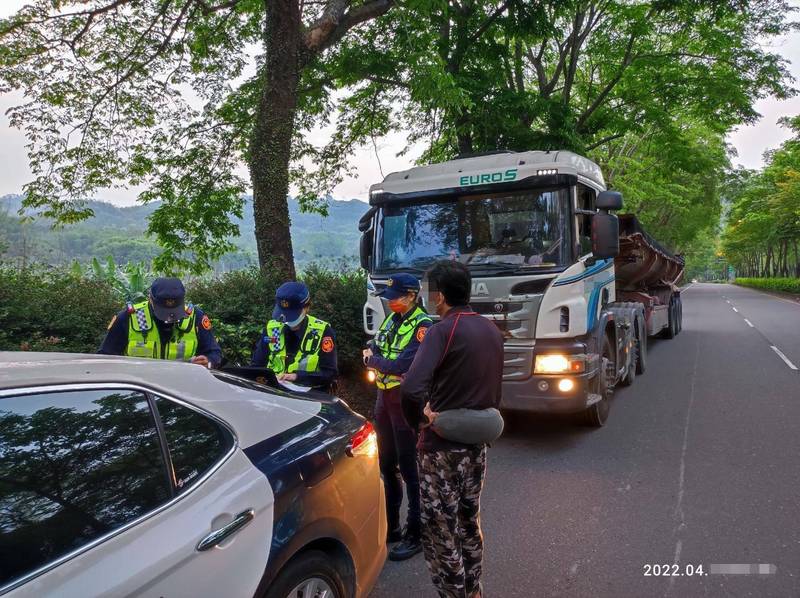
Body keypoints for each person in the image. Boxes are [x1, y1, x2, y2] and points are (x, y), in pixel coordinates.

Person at [400, 260, 504, 598]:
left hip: (440, 450)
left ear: (440, 296)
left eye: (432, 291)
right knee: (468, 521)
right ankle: (473, 590)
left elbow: (411, 388)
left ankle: (452, 593)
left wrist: (419, 419)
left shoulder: (441, 331)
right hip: (476, 448)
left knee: (440, 529)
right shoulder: (490, 329)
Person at [362, 273, 432, 561]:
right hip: (383, 399)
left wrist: (373, 361)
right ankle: (392, 527)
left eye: (396, 298)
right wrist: (379, 359)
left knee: (409, 467)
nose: (390, 303)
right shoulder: (392, 320)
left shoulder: (423, 326)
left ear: (412, 297)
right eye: (389, 298)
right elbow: (378, 346)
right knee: (387, 464)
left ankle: (415, 532)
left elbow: (404, 363)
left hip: (404, 402)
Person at [99, 277, 222, 367]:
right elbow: (105, 357)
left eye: (174, 311)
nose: (168, 318)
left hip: (183, 392)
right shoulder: (129, 317)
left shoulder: (195, 317)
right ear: (150, 299)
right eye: (163, 311)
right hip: (140, 392)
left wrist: (208, 361)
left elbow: (214, 353)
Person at [251, 281, 337, 391]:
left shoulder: (322, 332)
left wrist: (296, 377)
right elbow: (257, 365)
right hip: (274, 394)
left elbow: (329, 373)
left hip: (309, 397)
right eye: (283, 314)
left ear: (307, 308)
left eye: (292, 315)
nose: (286, 320)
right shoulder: (272, 329)